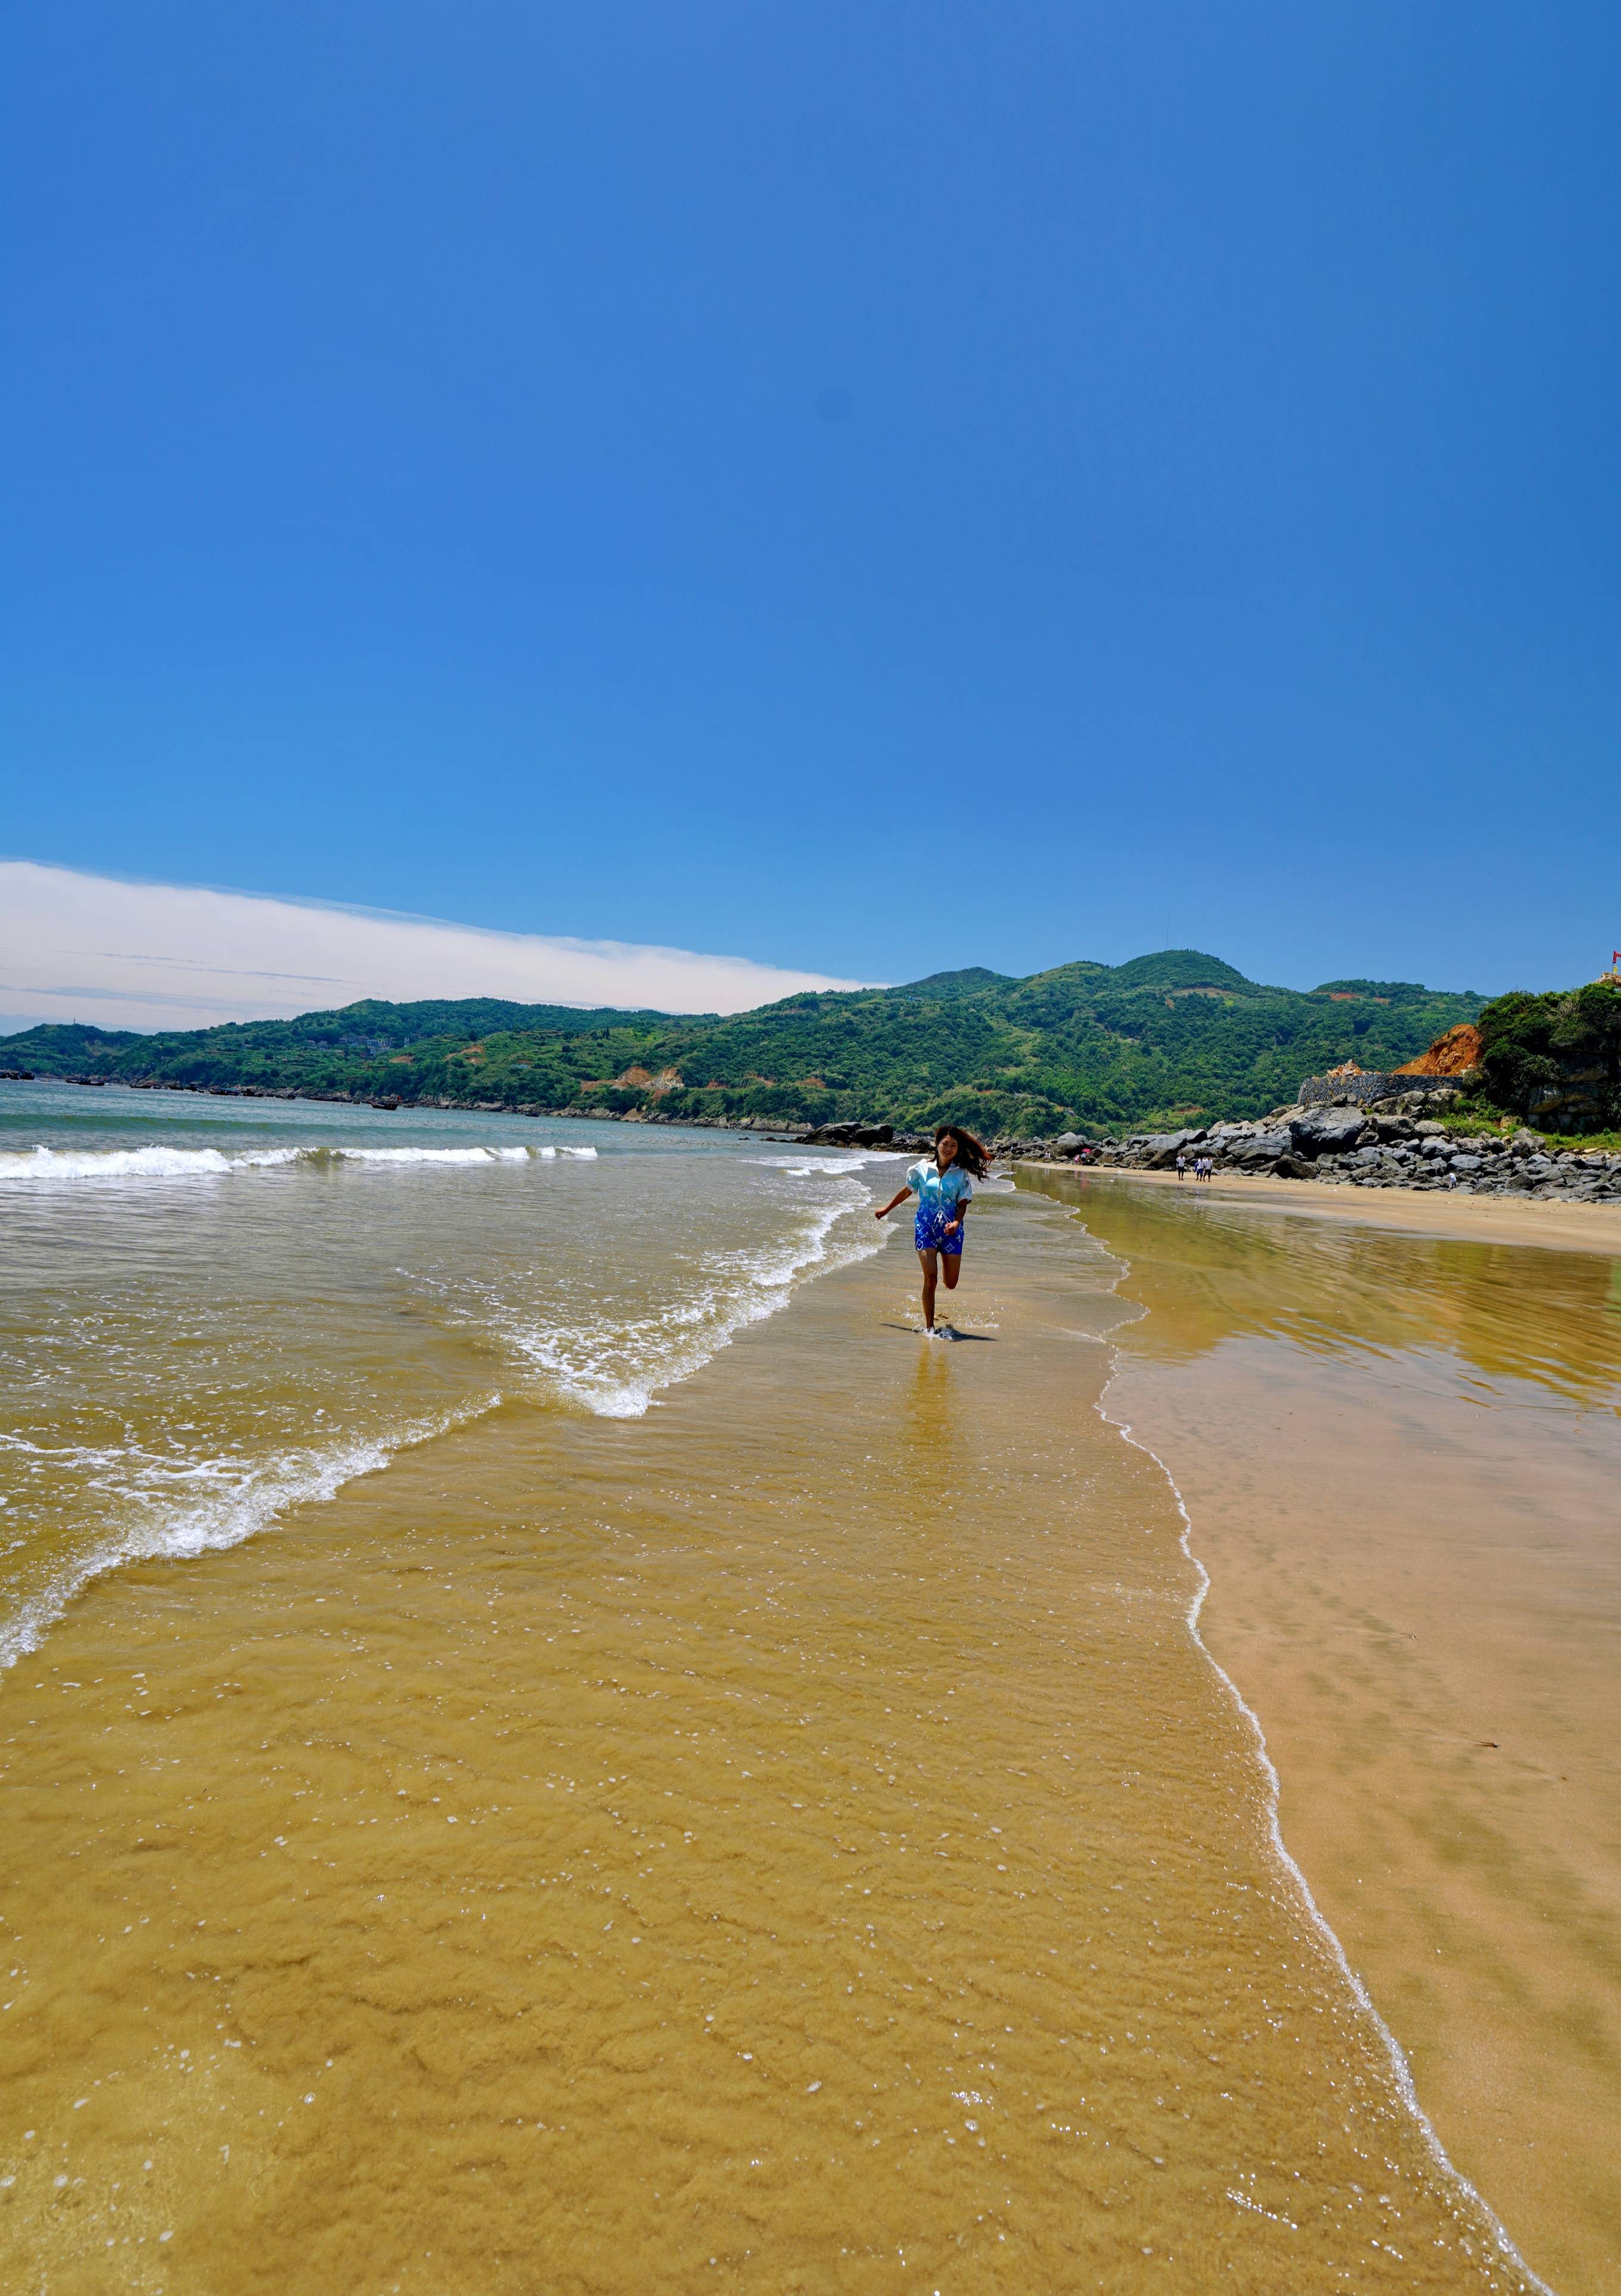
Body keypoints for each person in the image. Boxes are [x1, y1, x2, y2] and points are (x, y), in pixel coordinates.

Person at [874, 1124, 990, 1335]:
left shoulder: (960, 1174)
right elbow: (907, 1191)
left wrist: (956, 1223)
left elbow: (963, 1204)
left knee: (951, 1283)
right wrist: (886, 1209)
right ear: (937, 1145)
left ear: (957, 1149)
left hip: (951, 1232)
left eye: (953, 1146)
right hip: (925, 1229)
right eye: (945, 1144)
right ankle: (930, 1328)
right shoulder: (921, 1168)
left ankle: (935, 1311)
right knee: (931, 1278)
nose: (948, 1148)